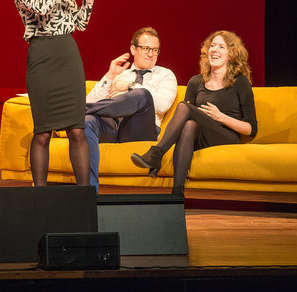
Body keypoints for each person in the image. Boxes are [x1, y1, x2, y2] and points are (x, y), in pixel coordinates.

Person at [10, 0, 96, 186]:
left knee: (77, 130)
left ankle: (84, 196)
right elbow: (41, 7)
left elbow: (79, 23)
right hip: (43, 57)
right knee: (44, 132)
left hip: (67, 55)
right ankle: (41, 198)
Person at [131, 31, 257, 195]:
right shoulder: (196, 82)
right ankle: (177, 193)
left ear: (231, 54)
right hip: (200, 139)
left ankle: (156, 154)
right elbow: (184, 119)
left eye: (221, 47)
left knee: (185, 107)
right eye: (212, 46)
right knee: (189, 125)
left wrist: (220, 117)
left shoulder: (240, 82)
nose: (214, 49)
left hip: (226, 137)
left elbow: (251, 129)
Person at [84, 27, 177, 190]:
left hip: (140, 129)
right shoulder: (121, 74)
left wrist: (131, 86)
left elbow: (163, 105)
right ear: (133, 49)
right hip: (113, 126)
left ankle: (77, 111)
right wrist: (110, 75)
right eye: (146, 48)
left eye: (155, 50)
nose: (151, 54)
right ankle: (89, 190)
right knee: (88, 120)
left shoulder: (165, 75)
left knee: (142, 94)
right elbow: (91, 101)